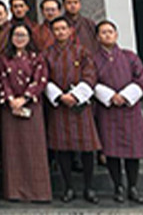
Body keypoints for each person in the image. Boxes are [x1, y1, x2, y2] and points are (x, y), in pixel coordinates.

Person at [43, 17, 102, 203]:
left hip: (80, 105)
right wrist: (60, 96)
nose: (60, 32)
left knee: (87, 148)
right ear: (52, 32)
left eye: (63, 28)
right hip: (59, 105)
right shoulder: (46, 54)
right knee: (62, 149)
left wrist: (76, 96)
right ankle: (68, 187)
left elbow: (90, 75)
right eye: (56, 29)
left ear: (70, 31)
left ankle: (89, 187)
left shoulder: (82, 51)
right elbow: (44, 78)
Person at [91, 20, 143, 204]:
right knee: (111, 151)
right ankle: (118, 186)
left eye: (110, 32)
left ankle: (132, 186)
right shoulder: (93, 59)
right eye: (103, 32)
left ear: (116, 35)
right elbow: (91, 81)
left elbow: (141, 79)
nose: (107, 35)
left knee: (133, 151)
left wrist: (124, 96)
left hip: (129, 109)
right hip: (107, 109)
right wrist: (110, 96)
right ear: (97, 37)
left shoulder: (130, 56)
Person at [0, 24, 52, 203]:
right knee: (13, 151)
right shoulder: (4, 58)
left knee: (34, 150)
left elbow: (40, 80)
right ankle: (14, 192)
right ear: (10, 37)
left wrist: (25, 98)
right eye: (16, 35)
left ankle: (38, 192)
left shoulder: (38, 58)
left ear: (29, 38)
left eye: (23, 35)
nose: (19, 38)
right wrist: (12, 100)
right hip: (10, 109)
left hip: (32, 108)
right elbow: (2, 79)